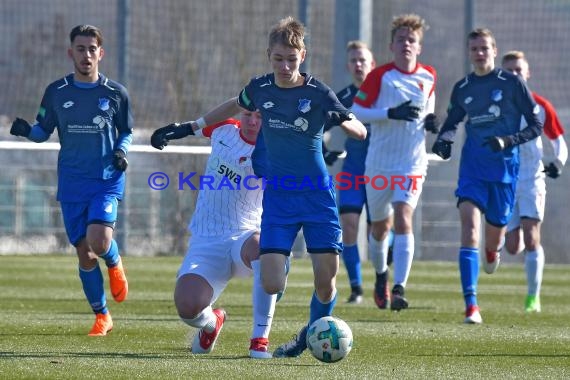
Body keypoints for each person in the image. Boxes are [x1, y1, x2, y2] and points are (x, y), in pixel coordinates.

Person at [157, 16, 366, 358]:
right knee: (272, 282)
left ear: (303, 56)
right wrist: (191, 126)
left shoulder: (318, 92)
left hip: (317, 197)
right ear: (269, 55)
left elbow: (358, 130)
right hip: (280, 201)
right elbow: (234, 104)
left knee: (326, 282)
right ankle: (261, 329)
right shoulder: (259, 88)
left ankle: (309, 333)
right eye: (278, 58)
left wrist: (345, 121)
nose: (285, 66)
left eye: (292, 59)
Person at [9, 25, 131, 336]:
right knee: (84, 253)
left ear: (100, 53)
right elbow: (42, 131)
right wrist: (26, 131)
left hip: (105, 178)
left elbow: (127, 131)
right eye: (81, 49)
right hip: (73, 182)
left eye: (92, 49)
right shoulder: (56, 92)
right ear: (70, 53)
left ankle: (115, 262)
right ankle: (102, 316)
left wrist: (121, 151)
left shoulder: (116, 93)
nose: (86, 55)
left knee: (100, 241)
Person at [431, 29, 543, 324]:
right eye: (474, 49)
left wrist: (508, 141)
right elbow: (454, 120)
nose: (479, 53)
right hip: (472, 170)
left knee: (493, 241)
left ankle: (492, 252)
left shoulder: (512, 83)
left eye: (484, 48)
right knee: (469, 228)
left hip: (505, 172)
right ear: (469, 53)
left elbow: (535, 126)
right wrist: (445, 138)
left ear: (494, 51)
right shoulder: (463, 87)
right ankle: (471, 306)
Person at [150, 110, 277, 359]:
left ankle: (259, 340)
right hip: (206, 240)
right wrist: (180, 127)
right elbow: (198, 126)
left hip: (245, 236)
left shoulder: (274, 150)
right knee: (188, 307)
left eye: (260, 117)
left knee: (265, 250)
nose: (252, 121)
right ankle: (211, 323)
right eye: (249, 114)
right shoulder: (223, 128)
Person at [351, 14, 438, 311]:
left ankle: (399, 287)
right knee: (379, 228)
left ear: (419, 47)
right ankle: (380, 276)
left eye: (411, 40)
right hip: (378, 164)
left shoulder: (428, 76)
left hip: (412, 163)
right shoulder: (380, 76)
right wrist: (390, 113)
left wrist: (432, 121)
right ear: (391, 45)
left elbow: (429, 107)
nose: (406, 44)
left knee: (403, 216)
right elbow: (355, 112)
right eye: (401, 40)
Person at [501, 50, 567, 313]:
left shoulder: (540, 105)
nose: (515, 75)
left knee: (531, 237)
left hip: (531, 179)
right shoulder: (497, 106)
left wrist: (558, 162)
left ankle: (532, 297)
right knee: (512, 246)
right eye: (509, 71)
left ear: (527, 73)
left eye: (519, 70)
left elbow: (558, 141)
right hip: (505, 180)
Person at [323, 40, 376, 304]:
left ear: (372, 64)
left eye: (362, 60)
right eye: (354, 60)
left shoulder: (383, 93)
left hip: (382, 172)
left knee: (379, 231)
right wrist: (324, 151)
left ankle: (383, 279)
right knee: (350, 225)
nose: (358, 65)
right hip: (353, 171)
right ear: (348, 65)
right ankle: (356, 287)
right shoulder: (341, 98)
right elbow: (316, 129)